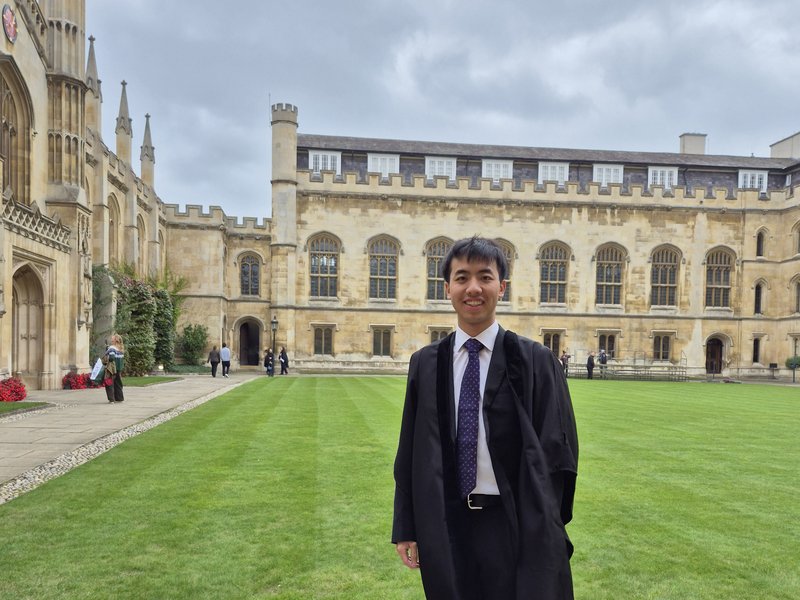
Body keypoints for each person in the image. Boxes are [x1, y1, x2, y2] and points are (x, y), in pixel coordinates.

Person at [392, 236, 578, 600]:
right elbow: (410, 449)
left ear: (501, 287)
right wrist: (406, 525)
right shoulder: (426, 364)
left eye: (485, 277)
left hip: (516, 522)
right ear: (447, 288)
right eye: (462, 278)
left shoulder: (537, 362)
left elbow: (560, 451)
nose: (473, 288)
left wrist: (548, 522)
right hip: (447, 520)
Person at [103, 333, 125, 403]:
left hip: (111, 369)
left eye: (112, 338)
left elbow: (112, 358)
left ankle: (111, 399)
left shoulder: (112, 348)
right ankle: (119, 398)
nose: (111, 339)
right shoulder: (120, 348)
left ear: (115, 340)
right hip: (119, 368)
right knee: (118, 383)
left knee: (109, 383)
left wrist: (107, 355)